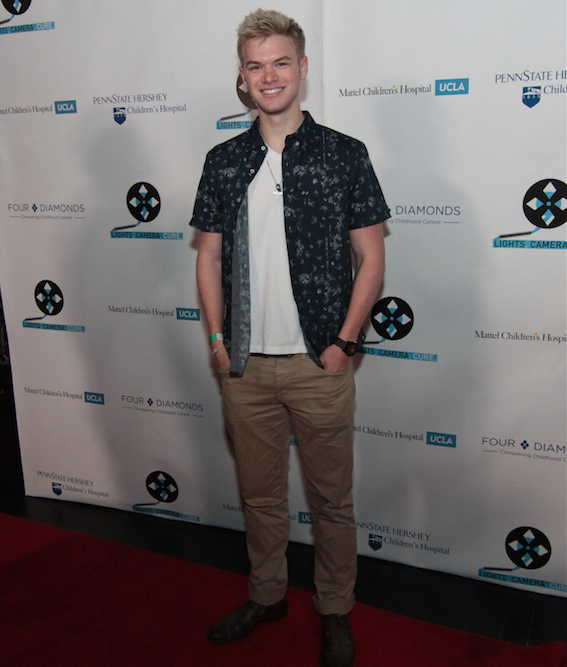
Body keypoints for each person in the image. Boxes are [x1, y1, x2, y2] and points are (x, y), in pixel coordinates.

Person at [190, 9, 389, 667]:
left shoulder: (343, 154)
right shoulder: (224, 161)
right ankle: (267, 594)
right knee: (260, 496)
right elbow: (207, 256)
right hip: (244, 365)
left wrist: (344, 343)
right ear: (243, 78)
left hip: (318, 363)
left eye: (280, 62)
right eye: (256, 66)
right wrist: (217, 340)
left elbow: (371, 258)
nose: (268, 76)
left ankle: (334, 610)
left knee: (331, 500)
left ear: (302, 68)